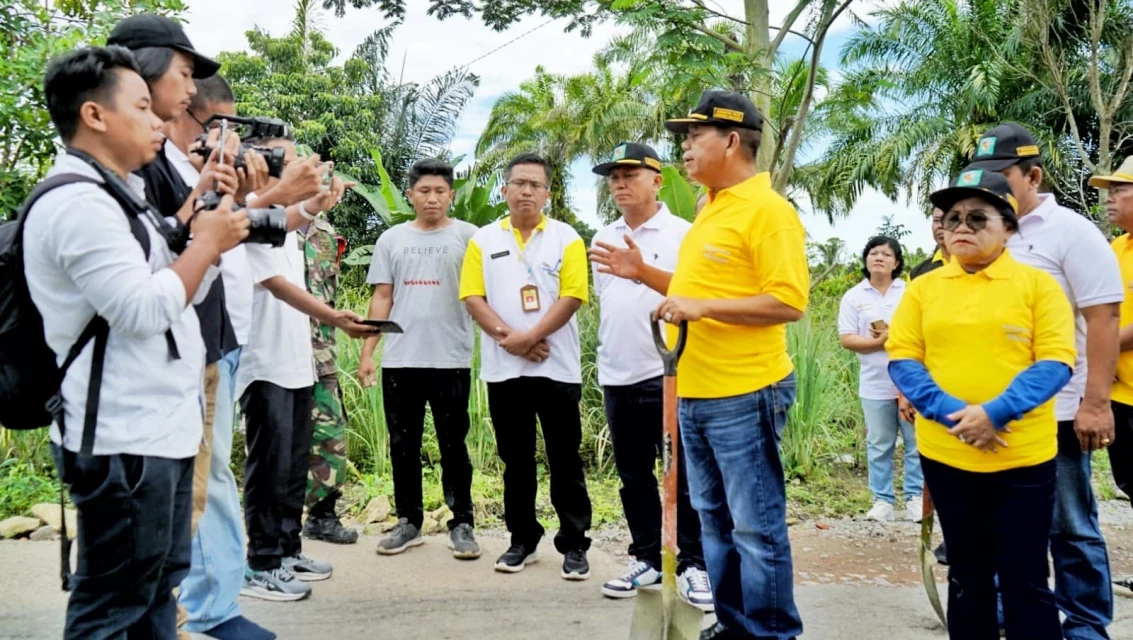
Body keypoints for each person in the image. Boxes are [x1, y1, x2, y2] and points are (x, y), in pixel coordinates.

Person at [24, 45, 248, 639]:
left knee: (156, 587)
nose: (159, 122)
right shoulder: (77, 203)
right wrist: (205, 245)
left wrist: (204, 235)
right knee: (113, 603)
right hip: (121, 439)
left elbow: (182, 290)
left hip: (157, 431)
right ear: (95, 115)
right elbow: (144, 310)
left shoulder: (120, 194)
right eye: (144, 107)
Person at [887, 167, 1076, 639]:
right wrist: (956, 414)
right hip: (948, 454)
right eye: (952, 219)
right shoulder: (924, 288)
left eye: (977, 218)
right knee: (967, 576)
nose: (962, 228)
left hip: (1023, 457)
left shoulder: (1038, 287)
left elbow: (1056, 362)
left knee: (1026, 578)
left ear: (1008, 227)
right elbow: (904, 358)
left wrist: (995, 413)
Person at [656, 91, 809, 640]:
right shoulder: (708, 208)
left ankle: (772, 633)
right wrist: (654, 283)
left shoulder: (770, 212)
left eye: (693, 137)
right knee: (715, 526)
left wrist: (701, 307)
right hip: (695, 391)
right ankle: (737, 625)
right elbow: (698, 291)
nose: (685, 148)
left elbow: (789, 301)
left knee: (755, 528)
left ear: (730, 140)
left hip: (745, 393)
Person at [970, 122, 1123, 639]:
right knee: (993, 528)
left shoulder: (1071, 233)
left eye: (1001, 176)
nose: (987, 187)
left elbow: (1102, 317)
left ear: (1033, 175)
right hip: (986, 412)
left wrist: (1096, 403)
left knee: (1070, 525)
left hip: (1056, 411)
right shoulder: (979, 230)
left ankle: (1084, 626)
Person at [236, 136, 375, 601]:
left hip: (297, 362)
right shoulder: (249, 212)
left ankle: (287, 549)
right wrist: (333, 316)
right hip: (265, 362)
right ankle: (261, 563)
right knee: (269, 466)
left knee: (295, 465)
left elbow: (296, 219)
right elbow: (274, 283)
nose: (301, 168)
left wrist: (317, 203)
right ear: (265, 166)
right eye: (291, 161)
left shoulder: (287, 226)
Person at [585, 142, 711, 610]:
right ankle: (648, 557)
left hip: (672, 372)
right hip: (618, 371)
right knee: (634, 474)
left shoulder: (685, 233)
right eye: (613, 177)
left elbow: (697, 296)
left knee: (682, 473)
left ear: (657, 180)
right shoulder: (603, 235)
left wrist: (642, 273)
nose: (619, 184)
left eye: (630, 175)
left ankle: (695, 564)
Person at [459, 153, 594, 580]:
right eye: (519, 183)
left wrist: (531, 337)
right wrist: (510, 340)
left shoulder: (567, 238)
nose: (527, 191)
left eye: (536, 185)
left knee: (565, 458)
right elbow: (472, 297)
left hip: (557, 369)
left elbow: (572, 297)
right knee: (515, 459)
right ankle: (523, 540)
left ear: (548, 194)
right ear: (505, 189)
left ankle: (574, 544)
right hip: (505, 371)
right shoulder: (483, 240)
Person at [358, 159, 480, 558]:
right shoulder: (391, 240)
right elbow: (382, 297)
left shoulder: (470, 237)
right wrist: (367, 353)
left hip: (451, 358)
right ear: (410, 195)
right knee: (403, 444)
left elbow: (484, 296)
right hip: (401, 360)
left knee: (453, 446)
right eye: (424, 191)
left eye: (439, 191)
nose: (432, 198)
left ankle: (462, 522)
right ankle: (409, 521)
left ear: (452, 195)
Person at [838, 236, 923, 523]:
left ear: (896, 262)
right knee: (879, 442)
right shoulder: (854, 296)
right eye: (873, 252)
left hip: (910, 379)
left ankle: (914, 497)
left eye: (886, 254)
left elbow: (921, 332)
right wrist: (880, 343)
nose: (879, 258)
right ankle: (882, 500)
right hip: (874, 381)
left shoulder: (909, 292)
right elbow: (847, 338)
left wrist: (894, 340)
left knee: (915, 441)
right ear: (865, 260)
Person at [299, 210, 359, 545]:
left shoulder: (324, 230)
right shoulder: (269, 220)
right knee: (280, 440)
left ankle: (322, 515)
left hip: (322, 355)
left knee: (330, 434)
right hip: (278, 352)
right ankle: (276, 527)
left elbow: (327, 294)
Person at [1092, 157, 1133, 542]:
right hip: (1120, 391)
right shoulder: (1116, 247)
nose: (1110, 197)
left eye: (1120, 189)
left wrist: (1093, 345)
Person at [908, 207, 949, 280]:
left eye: (948, 219)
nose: (940, 225)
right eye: (936, 220)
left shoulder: (974, 266)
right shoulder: (916, 275)